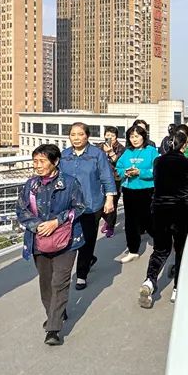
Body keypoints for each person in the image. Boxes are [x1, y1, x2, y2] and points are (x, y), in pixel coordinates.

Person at [16, 144, 86, 346]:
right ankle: (55, 312)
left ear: (55, 162)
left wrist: (57, 221)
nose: (37, 165)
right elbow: (21, 210)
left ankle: (53, 328)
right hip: (39, 240)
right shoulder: (30, 185)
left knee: (60, 281)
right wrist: (37, 225)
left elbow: (80, 207)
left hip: (67, 241)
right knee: (46, 283)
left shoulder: (70, 183)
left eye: (42, 161)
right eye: (35, 161)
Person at [139, 130, 188, 307]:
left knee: (160, 249)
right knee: (181, 248)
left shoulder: (158, 161)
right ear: (185, 145)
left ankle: (149, 281)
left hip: (159, 208)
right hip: (181, 209)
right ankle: (177, 287)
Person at [60, 122, 117, 290]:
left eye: (80, 134)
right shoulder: (64, 155)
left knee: (87, 239)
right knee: (70, 237)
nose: (76, 138)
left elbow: (107, 177)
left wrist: (109, 199)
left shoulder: (97, 154)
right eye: (73, 135)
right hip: (69, 205)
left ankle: (81, 274)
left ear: (87, 136)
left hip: (91, 204)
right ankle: (88, 259)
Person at [115, 125, 159, 264]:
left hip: (147, 190)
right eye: (131, 136)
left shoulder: (151, 151)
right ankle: (133, 250)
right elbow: (118, 168)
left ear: (143, 137)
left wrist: (140, 172)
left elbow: (157, 170)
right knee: (130, 222)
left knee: (148, 219)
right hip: (129, 190)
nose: (134, 139)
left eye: (137, 136)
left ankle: (161, 243)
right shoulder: (127, 152)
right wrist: (125, 172)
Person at [100, 126, 125, 238]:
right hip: (100, 178)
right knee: (101, 203)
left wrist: (110, 152)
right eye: (107, 135)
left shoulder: (121, 148)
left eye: (112, 136)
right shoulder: (100, 146)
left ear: (116, 137)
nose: (110, 137)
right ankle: (107, 220)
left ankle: (110, 226)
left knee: (112, 203)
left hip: (114, 179)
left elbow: (119, 163)